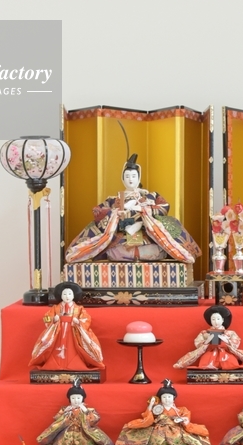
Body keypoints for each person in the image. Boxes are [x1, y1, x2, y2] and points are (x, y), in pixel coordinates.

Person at [65, 154, 200, 264]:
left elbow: (164, 206)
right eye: (127, 176)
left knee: (161, 239)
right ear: (122, 179)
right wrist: (114, 214)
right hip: (121, 235)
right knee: (115, 251)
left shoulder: (149, 196)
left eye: (134, 176)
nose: (130, 179)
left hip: (146, 233)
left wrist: (145, 210)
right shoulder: (114, 199)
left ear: (139, 178)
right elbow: (98, 211)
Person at [29, 282, 105, 375]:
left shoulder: (79, 308)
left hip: (72, 331)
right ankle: (55, 364)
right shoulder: (55, 308)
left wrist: (78, 321)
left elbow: (87, 318)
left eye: (69, 294)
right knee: (56, 347)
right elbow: (46, 318)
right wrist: (53, 319)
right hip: (59, 330)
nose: (67, 296)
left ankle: (74, 364)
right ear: (61, 296)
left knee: (73, 347)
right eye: (64, 294)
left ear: (74, 295)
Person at [116, 379, 211, 445]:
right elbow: (148, 419)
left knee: (178, 438)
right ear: (160, 398)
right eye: (164, 397)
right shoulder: (157, 408)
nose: (167, 399)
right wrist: (151, 405)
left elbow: (186, 418)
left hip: (175, 429)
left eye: (169, 397)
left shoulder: (181, 410)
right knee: (155, 440)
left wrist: (182, 420)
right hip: (159, 430)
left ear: (173, 398)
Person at [173, 306, 243, 371]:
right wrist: (207, 341)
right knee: (205, 362)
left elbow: (236, 343)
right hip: (210, 353)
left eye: (218, 319)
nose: (216, 321)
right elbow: (198, 343)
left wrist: (226, 340)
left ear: (223, 320)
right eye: (213, 319)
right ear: (210, 321)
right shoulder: (205, 333)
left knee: (231, 362)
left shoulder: (230, 333)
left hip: (226, 353)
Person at [36, 382, 114, 445]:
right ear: (69, 399)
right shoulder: (66, 409)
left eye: (78, 398)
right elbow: (57, 419)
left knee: (86, 441)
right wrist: (64, 415)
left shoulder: (88, 410)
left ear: (82, 398)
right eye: (73, 398)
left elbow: (94, 420)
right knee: (62, 441)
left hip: (83, 431)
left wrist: (87, 413)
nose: (76, 400)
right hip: (67, 431)